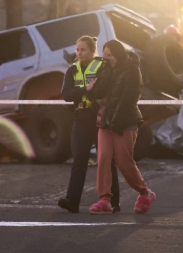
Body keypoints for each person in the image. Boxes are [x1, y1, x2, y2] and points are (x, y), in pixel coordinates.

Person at [88, 39, 155, 215]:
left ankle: (144, 192)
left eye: (109, 55)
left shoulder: (132, 69)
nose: (107, 58)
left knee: (124, 162)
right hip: (106, 120)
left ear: (118, 54)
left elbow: (129, 98)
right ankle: (104, 199)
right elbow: (99, 93)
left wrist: (117, 121)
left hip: (125, 121)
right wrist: (102, 75)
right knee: (103, 159)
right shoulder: (106, 70)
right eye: (104, 55)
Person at [58, 36, 121, 213]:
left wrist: (93, 92)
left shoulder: (102, 66)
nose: (78, 53)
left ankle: (114, 202)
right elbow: (66, 95)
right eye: (77, 50)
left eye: (82, 50)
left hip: (100, 117)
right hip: (81, 117)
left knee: (106, 160)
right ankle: (72, 201)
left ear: (93, 51)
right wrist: (86, 89)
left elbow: (105, 88)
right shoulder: (72, 70)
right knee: (79, 159)